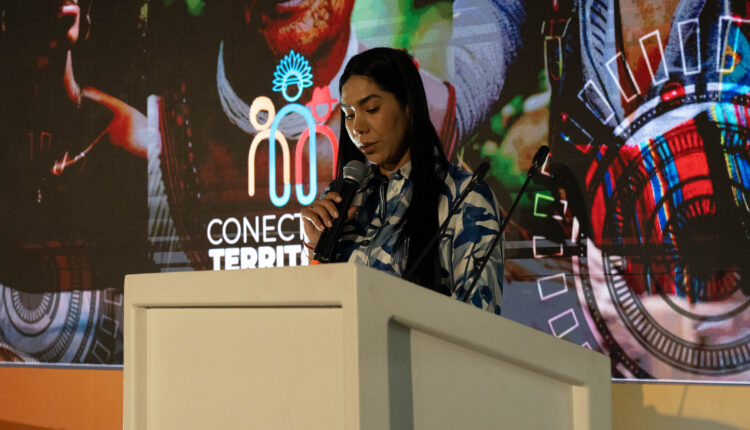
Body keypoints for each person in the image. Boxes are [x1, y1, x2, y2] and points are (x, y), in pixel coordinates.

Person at [300, 48, 503, 314]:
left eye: (371, 109)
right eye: (349, 114)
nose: (358, 127)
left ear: (408, 106)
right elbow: (317, 315)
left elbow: (479, 321)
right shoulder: (343, 199)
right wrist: (315, 247)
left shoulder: (465, 196)